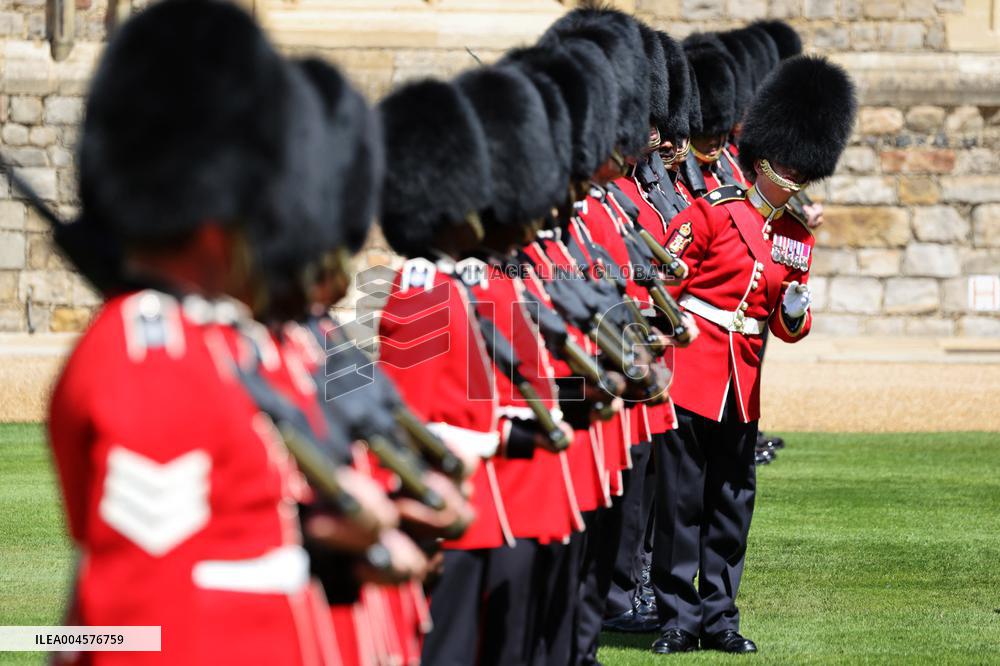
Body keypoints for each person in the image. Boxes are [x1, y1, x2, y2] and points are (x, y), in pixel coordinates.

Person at [46, 1, 377, 663]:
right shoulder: (151, 356)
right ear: (215, 221)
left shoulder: (212, 343)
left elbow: (232, 545)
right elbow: (133, 620)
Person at [650, 55, 857, 655]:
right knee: (683, 503)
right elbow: (668, 285)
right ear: (763, 157)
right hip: (691, 375)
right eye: (786, 165)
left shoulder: (796, 239)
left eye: (802, 169)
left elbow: (791, 329)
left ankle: (720, 617)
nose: (793, 177)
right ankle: (678, 618)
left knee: (731, 504)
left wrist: (793, 306)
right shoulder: (713, 213)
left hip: (743, 381)